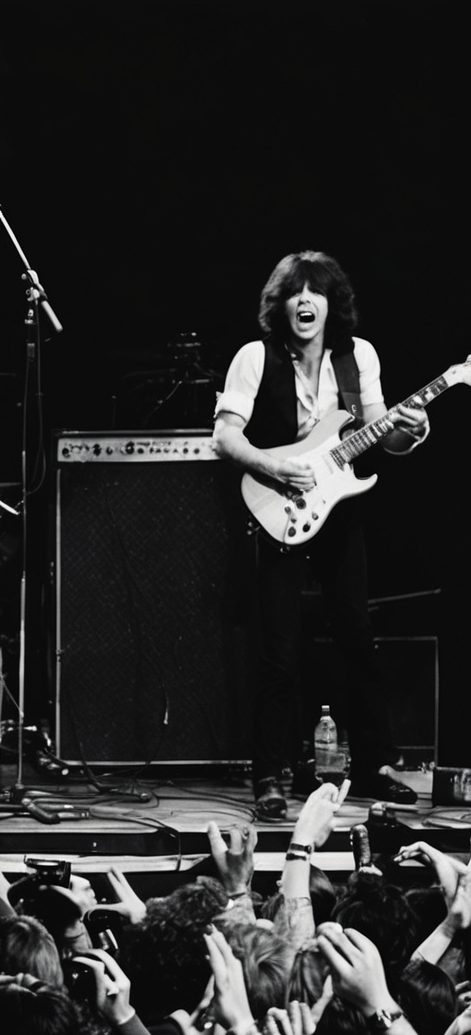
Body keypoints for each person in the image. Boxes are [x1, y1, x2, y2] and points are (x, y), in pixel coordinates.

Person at [209, 251, 429, 821]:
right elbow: (225, 439)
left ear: (333, 304)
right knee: (280, 653)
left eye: (316, 292)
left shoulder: (359, 359)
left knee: (357, 635)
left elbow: (385, 436)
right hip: (276, 506)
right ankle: (270, 774)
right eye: (294, 292)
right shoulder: (254, 357)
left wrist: (414, 429)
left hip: (339, 511)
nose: (305, 301)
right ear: (279, 305)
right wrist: (273, 466)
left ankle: (377, 764)